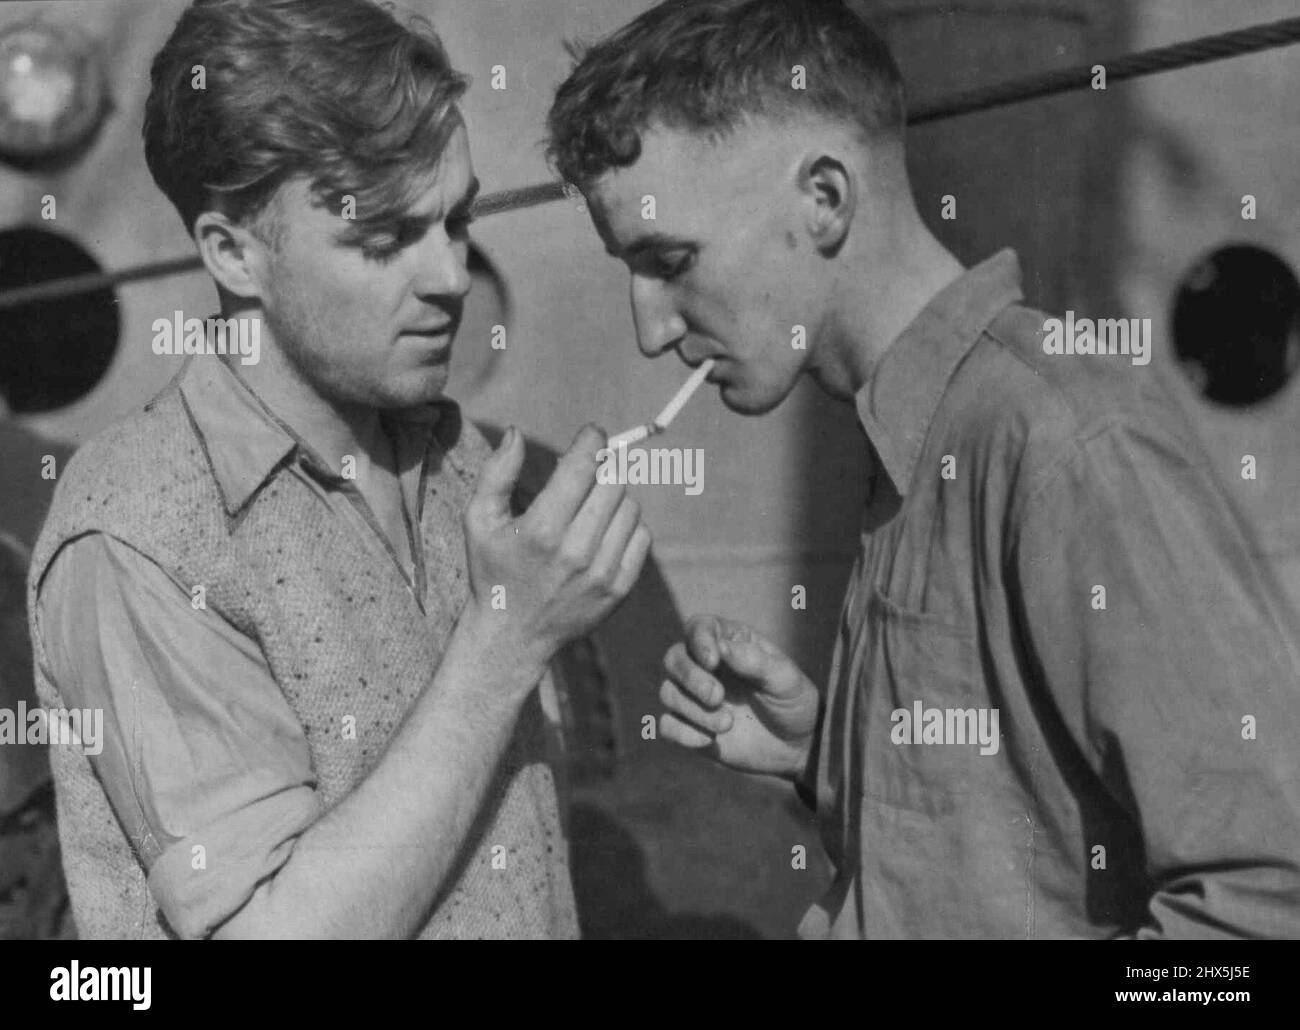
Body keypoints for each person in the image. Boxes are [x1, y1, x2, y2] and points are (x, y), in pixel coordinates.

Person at [545, 0, 1300, 938]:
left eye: (669, 261)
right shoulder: (921, 427)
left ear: (824, 198)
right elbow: (1021, 852)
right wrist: (832, 761)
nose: (649, 328)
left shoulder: (1063, 444)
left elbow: (1267, 907)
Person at [27, 0, 649, 940]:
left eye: (457, 218)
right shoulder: (137, 536)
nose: (449, 275)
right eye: (386, 239)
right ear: (234, 255)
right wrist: (506, 640)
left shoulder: (455, 456)